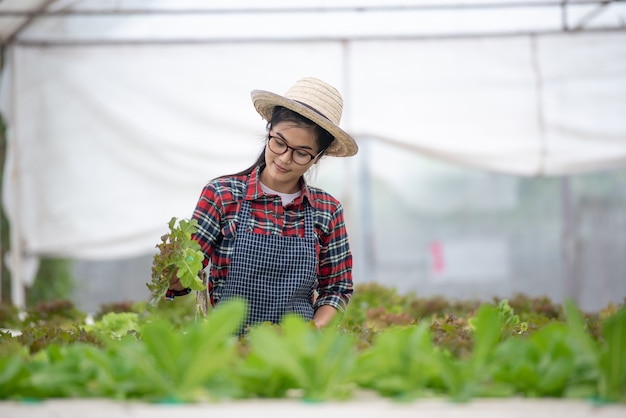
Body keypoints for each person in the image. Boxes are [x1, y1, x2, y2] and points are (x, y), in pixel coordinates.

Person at [166, 77, 358, 330]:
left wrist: (312, 331)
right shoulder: (222, 195)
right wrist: (172, 271)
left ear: (317, 158)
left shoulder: (327, 210)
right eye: (279, 142)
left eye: (301, 152)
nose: (285, 158)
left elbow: (337, 289)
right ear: (269, 131)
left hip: (295, 349)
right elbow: (186, 276)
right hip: (228, 348)